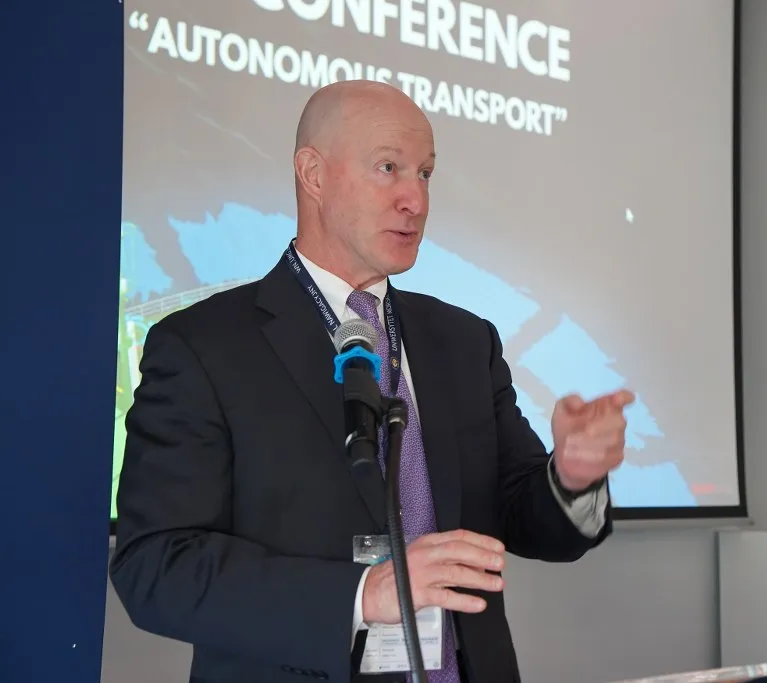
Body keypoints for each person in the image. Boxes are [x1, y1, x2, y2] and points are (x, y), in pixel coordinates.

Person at [110, 81, 632, 683]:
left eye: (426, 174)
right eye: (389, 168)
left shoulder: (464, 341)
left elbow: (525, 519)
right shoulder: (205, 346)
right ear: (313, 174)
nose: (416, 199)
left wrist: (572, 478)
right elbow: (157, 566)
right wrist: (362, 594)